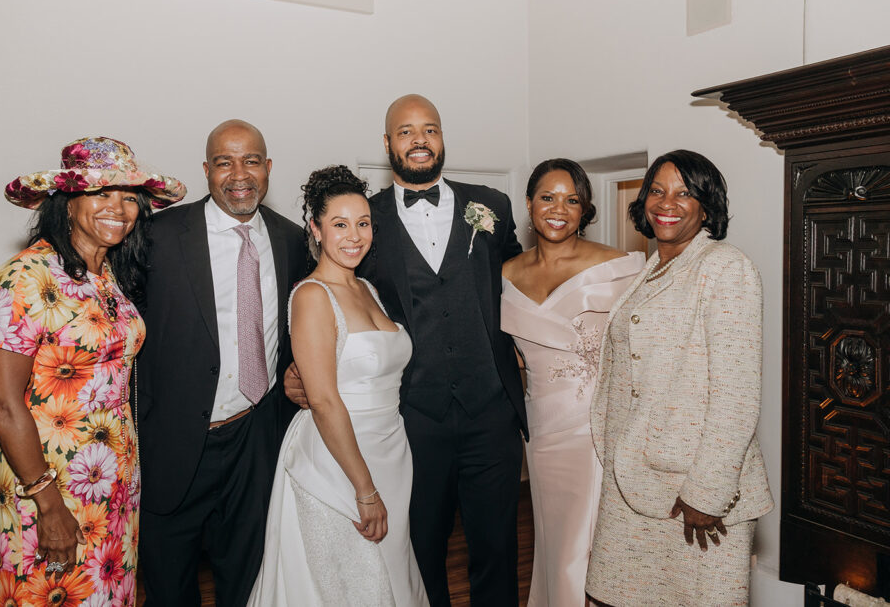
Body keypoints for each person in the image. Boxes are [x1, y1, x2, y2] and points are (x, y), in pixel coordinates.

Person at [287, 94, 526, 606]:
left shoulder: (493, 206)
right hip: (413, 420)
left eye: (430, 129)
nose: (419, 140)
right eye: (405, 131)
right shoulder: (361, 219)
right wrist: (298, 366)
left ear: (442, 137)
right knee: (418, 551)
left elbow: (518, 279)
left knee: (497, 548)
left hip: (492, 413)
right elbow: (323, 302)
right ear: (387, 143)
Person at [0, 137, 186, 606]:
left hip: (115, 479)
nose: (120, 207)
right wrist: (48, 504)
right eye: (101, 193)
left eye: (130, 197)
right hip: (50, 484)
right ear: (67, 204)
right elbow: (0, 402)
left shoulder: (108, 275)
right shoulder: (25, 276)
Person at [585, 150, 773, 606]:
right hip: (633, 483)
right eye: (657, 190)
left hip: (692, 496)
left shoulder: (726, 267)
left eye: (684, 192)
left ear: (707, 205)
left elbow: (736, 394)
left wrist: (707, 494)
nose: (667, 202)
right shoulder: (653, 265)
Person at [137, 119, 309, 606]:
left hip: (256, 437)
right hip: (173, 440)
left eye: (251, 160)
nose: (240, 173)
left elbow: (299, 326)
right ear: (207, 170)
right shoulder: (158, 235)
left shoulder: (292, 240)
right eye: (224, 162)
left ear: (268, 168)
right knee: (169, 586)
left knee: (248, 577)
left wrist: (299, 373)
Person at [249, 165, 428, 606]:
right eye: (340, 224)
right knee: (348, 583)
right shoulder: (312, 296)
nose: (355, 236)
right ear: (316, 229)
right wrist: (365, 491)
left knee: (391, 570)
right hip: (339, 460)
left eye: (363, 223)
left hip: (390, 448)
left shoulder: (367, 287)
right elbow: (325, 401)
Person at [500, 160, 643, 607]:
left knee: (591, 549)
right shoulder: (504, 275)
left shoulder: (621, 267)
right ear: (528, 203)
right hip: (542, 432)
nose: (558, 209)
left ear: (585, 210)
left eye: (572, 199)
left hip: (599, 431)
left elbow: (646, 353)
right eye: (548, 197)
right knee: (556, 542)